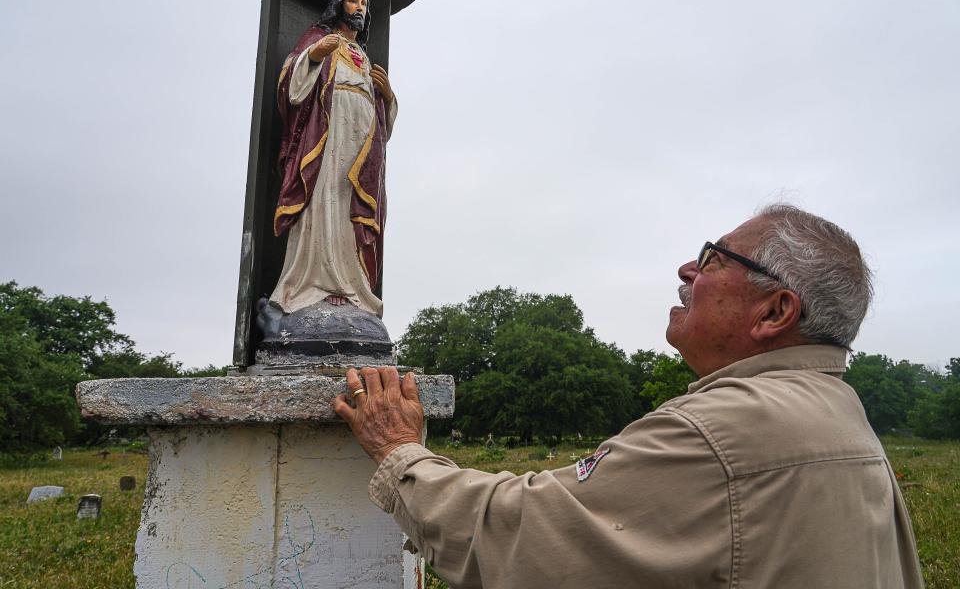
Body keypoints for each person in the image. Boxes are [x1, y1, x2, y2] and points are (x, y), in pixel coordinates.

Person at [333, 204, 924, 588]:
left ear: (775, 311)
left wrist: (400, 454)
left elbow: (516, 536)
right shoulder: (843, 416)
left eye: (714, 260)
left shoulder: (724, 431)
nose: (687, 270)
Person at [269, 0, 397, 318]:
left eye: (364, 4)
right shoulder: (320, 40)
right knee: (323, 199)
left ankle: (351, 286)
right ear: (339, 5)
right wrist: (314, 56)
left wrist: (386, 96)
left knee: (350, 208)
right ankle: (317, 282)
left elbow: (385, 124)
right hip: (327, 134)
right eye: (352, 1)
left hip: (362, 144)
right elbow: (290, 89)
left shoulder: (364, 57)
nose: (359, 8)